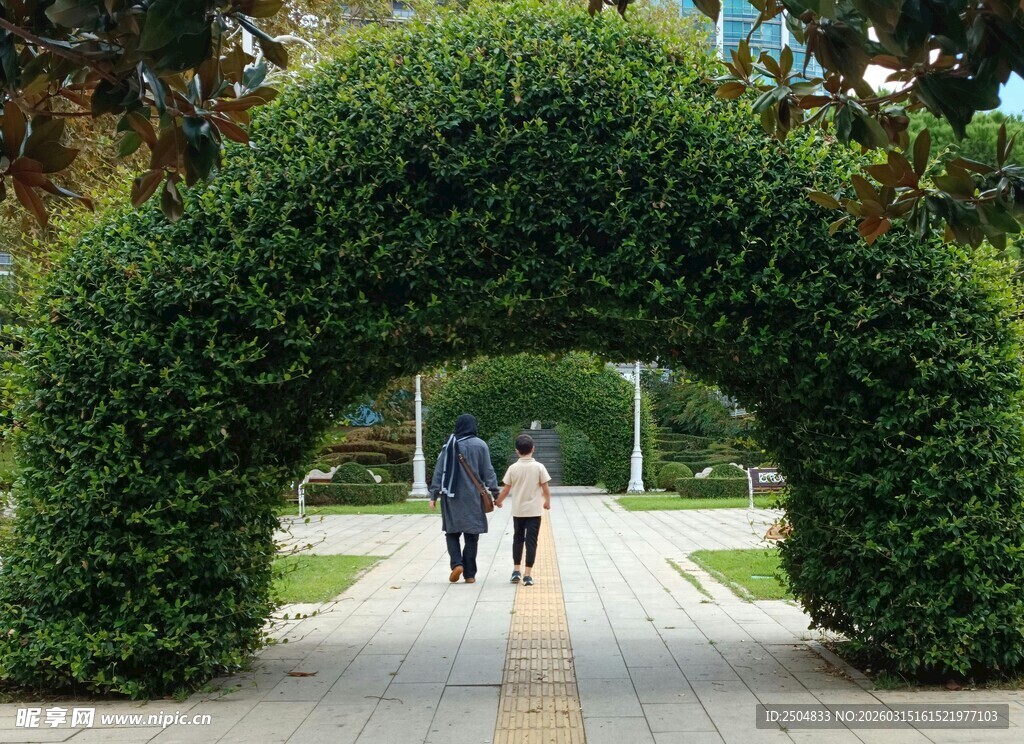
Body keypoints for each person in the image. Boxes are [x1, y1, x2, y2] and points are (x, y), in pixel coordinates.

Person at [430, 413, 499, 584]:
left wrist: (434, 494)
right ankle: (469, 574)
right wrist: (495, 493)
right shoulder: (481, 445)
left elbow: (439, 471)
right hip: (473, 497)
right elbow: (488, 472)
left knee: (451, 532)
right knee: (472, 535)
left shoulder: (449, 445)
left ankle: (456, 564)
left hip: (451, 497)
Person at [495, 433, 551, 586]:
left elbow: (506, 489)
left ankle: (516, 570)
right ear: (533, 449)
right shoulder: (539, 467)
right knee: (532, 542)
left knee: (518, 539)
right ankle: (527, 574)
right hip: (534, 512)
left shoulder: (513, 468)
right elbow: (545, 488)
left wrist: (498, 501)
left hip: (518, 511)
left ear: (517, 451)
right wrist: (547, 502)